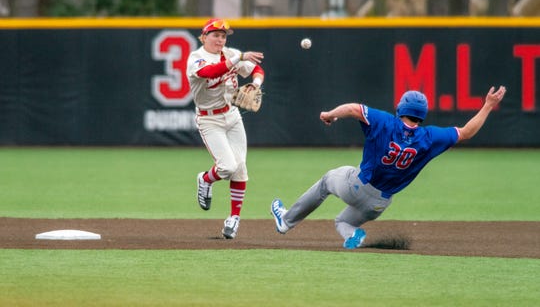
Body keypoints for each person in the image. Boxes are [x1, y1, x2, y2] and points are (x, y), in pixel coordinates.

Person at [271, 86, 506, 249]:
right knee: (343, 222)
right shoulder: (429, 137)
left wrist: (330, 115)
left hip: (358, 186)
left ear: (401, 107)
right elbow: (465, 132)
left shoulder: (385, 121)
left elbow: (354, 109)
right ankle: (353, 235)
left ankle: (287, 221)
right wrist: (487, 106)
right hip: (379, 204)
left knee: (326, 181)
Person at [187, 18, 265, 239]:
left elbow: (257, 69)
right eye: (215, 35)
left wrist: (255, 84)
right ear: (204, 37)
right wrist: (238, 58)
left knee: (240, 168)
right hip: (209, 120)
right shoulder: (196, 58)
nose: (220, 39)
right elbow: (210, 73)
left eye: (223, 36)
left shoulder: (231, 53)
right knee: (227, 166)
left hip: (231, 115)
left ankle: (234, 218)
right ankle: (205, 179)